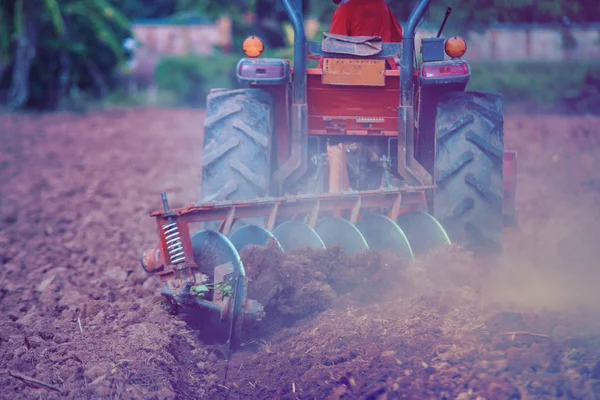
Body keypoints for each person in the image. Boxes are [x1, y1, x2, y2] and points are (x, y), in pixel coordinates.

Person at [329, 0, 403, 43]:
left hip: (354, 65)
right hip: (385, 63)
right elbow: (398, 38)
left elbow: (334, 46)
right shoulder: (382, 6)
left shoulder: (344, 10)